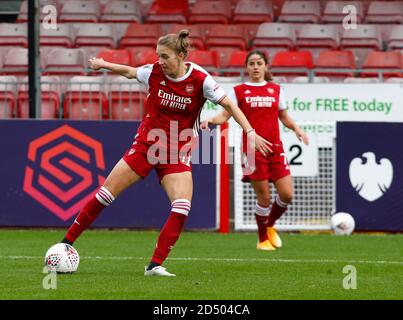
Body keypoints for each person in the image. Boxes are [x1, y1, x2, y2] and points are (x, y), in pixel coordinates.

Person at [58, 31, 272, 276]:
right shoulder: (154, 72)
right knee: (106, 194)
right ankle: (65, 243)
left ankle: (155, 265)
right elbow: (129, 71)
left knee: (181, 206)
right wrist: (103, 65)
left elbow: (229, 105)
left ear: (181, 56)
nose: (159, 61)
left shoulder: (201, 79)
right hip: (146, 145)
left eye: (165, 56)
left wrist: (250, 131)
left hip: (177, 151)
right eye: (158, 56)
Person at [201, 50, 309, 251]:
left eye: (259, 63)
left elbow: (283, 116)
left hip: (276, 148)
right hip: (251, 151)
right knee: (264, 198)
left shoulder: (275, 89)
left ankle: (269, 226)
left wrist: (297, 128)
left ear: (266, 66)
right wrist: (210, 120)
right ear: (246, 67)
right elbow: (225, 115)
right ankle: (262, 240)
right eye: (252, 63)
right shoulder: (239, 91)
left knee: (287, 195)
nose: (256, 66)